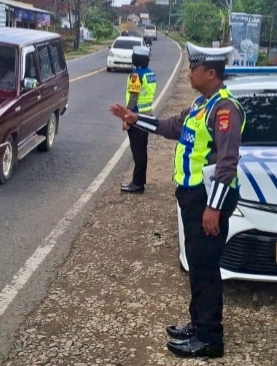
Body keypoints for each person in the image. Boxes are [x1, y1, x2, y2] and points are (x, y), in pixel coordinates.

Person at [108, 43, 246, 359]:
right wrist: (135, 117)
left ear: (210, 73)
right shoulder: (202, 105)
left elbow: (227, 163)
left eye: (193, 69)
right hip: (192, 196)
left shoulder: (225, 110)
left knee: (206, 267)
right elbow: (171, 126)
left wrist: (214, 207)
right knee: (197, 264)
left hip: (208, 198)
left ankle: (210, 338)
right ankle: (198, 324)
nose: (189, 73)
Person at [121, 45, 156, 194]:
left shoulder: (136, 75)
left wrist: (126, 118)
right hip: (147, 115)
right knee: (142, 150)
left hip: (136, 117)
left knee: (138, 153)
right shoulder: (150, 74)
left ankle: (137, 184)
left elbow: (133, 98)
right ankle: (141, 180)